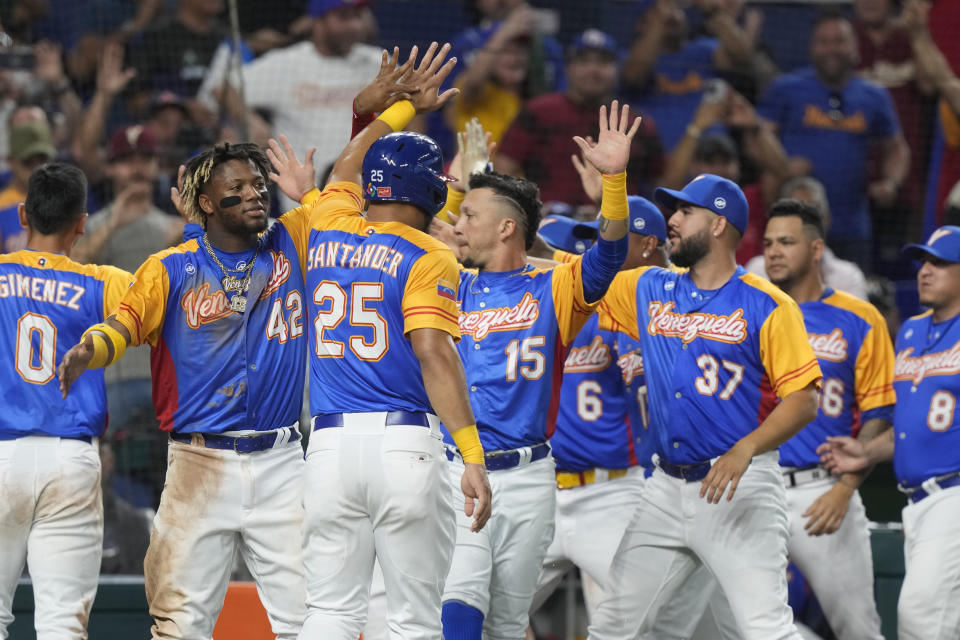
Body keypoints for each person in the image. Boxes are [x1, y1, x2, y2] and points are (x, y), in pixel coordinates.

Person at [263, 43, 493, 639]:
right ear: (435, 193)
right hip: (405, 445)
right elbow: (434, 354)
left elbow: (344, 166)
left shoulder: (329, 224)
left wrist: (396, 112)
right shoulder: (430, 253)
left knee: (331, 613)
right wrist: (471, 454)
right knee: (412, 620)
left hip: (330, 448)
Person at [58, 140, 310, 639]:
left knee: (314, 617)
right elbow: (124, 324)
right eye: (235, 187)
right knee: (179, 624)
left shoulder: (294, 240)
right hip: (199, 465)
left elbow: (346, 214)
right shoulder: (171, 267)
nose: (255, 193)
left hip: (284, 462)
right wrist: (91, 349)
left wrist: (313, 191)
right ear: (209, 204)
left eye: (259, 185)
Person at [434, 101, 637, 640]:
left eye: (470, 216)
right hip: (458, 464)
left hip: (529, 475)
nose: (458, 224)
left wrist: (614, 182)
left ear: (506, 228)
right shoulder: (450, 279)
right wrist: (460, 184)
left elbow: (611, 252)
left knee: (506, 623)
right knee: (460, 597)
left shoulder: (556, 286)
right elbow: (426, 227)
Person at [589, 173, 823, 639]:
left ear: (718, 225)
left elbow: (804, 399)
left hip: (736, 484)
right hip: (663, 489)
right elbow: (563, 274)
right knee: (613, 625)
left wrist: (746, 449)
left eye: (684, 211)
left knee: (765, 630)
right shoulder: (650, 286)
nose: (671, 221)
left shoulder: (767, 303)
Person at [0, 162, 133, 637]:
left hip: (1, 455)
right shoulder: (106, 282)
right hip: (69, 460)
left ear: (21, 214)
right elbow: (166, 303)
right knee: (62, 624)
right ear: (82, 222)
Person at [756, 199, 893, 639]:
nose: (774, 251)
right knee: (740, 620)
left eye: (787, 242)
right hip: (757, 486)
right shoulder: (750, 312)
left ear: (816, 250)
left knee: (858, 629)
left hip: (823, 490)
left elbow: (879, 413)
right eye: (769, 243)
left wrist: (846, 488)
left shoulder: (861, 317)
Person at [530, 197, 667, 628]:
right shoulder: (518, 318)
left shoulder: (613, 313)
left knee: (639, 622)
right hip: (539, 491)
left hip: (612, 493)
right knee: (484, 612)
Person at [819, 225, 960, 640]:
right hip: (916, 504)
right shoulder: (913, 332)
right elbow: (911, 424)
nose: (925, 271)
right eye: (923, 262)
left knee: (920, 617)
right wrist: (868, 453)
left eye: (940, 263)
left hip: (954, 496)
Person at [757, 11, 909, 268]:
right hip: (795, 225)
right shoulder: (786, 89)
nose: (831, 49)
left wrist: (891, 183)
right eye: (823, 41)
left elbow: (897, 148)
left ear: (854, 47)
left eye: (839, 41)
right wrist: (781, 167)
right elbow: (757, 138)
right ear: (811, 47)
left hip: (853, 227)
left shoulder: (874, 95)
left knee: (851, 301)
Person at [71, 124, 184, 433]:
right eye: (126, 160)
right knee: (105, 467)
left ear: (157, 166)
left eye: (145, 158)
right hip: (111, 373)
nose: (137, 168)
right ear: (110, 167)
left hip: (167, 373)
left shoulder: (176, 228)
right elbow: (69, 272)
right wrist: (115, 222)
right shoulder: (91, 228)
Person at [223, 0, 383, 210]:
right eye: (343, 17)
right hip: (304, 203)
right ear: (318, 21)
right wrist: (250, 120)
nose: (354, 26)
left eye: (357, 17)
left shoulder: (377, 61)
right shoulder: (287, 63)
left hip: (369, 198)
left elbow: (412, 104)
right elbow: (228, 87)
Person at [497, 30, 664, 210]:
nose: (593, 70)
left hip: (617, 224)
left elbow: (664, 184)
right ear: (568, 67)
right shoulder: (539, 111)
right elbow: (503, 170)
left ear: (616, 69)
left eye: (603, 62)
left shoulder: (635, 123)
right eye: (584, 61)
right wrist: (528, 211)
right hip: (547, 223)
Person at [621, 0, 756, 149]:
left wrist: (709, 8)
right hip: (655, 157)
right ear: (641, 23)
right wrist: (659, 22)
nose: (670, 13)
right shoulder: (632, 58)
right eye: (656, 11)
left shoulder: (703, 49)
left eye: (675, 7)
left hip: (711, 152)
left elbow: (742, 56)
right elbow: (633, 77)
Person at [746, 176, 869, 301]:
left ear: (826, 218)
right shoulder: (758, 272)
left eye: (811, 215)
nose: (801, 223)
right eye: (793, 214)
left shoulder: (848, 277)